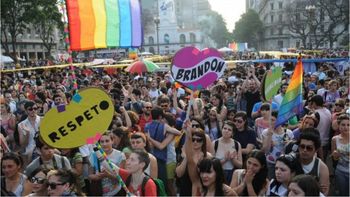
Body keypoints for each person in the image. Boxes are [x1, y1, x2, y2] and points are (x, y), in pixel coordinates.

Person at [184, 121, 236, 196]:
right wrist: (189, 136)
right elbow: (190, 160)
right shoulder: (200, 188)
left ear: (217, 173)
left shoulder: (227, 192)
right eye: (202, 172)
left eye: (209, 172)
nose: (204, 176)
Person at [88, 132, 126, 196]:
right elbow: (89, 175)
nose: (104, 144)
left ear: (112, 141)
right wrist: (97, 177)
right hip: (99, 192)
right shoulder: (94, 155)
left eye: (107, 141)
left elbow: (122, 178)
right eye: (102, 142)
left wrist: (108, 175)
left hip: (116, 193)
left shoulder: (120, 155)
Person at [262, 111, 294, 179]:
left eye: (272, 120)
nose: (270, 122)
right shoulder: (266, 132)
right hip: (271, 163)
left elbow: (293, 149)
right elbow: (265, 151)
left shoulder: (289, 133)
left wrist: (289, 143)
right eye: (269, 119)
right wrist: (269, 137)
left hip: (285, 163)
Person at [297, 129, 329, 195]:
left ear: (316, 150)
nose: (304, 150)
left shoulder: (322, 168)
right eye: (302, 146)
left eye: (309, 148)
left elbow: (324, 192)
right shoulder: (291, 160)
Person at [18, 101, 41, 165]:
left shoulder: (43, 120)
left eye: (35, 108)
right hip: (30, 150)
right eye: (30, 109)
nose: (33, 110)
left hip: (43, 147)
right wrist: (27, 134)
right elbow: (23, 145)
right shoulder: (21, 125)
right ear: (26, 111)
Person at [331, 113, 349, 196]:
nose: (346, 127)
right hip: (340, 171)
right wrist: (335, 156)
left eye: (348, 125)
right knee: (343, 193)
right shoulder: (335, 139)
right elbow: (333, 158)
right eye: (343, 125)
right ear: (338, 126)